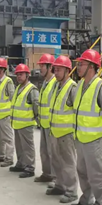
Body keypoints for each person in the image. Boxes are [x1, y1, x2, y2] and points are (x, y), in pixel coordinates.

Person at [71, 49, 102, 205]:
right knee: (82, 171)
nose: (78, 67)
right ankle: (86, 200)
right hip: (81, 136)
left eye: (81, 64)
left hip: (94, 138)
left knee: (96, 173)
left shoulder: (100, 87)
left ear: (91, 67)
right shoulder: (80, 85)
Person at [47, 55, 79, 203]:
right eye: (55, 69)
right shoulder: (56, 86)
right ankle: (60, 185)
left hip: (67, 133)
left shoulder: (72, 88)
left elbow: (77, 111)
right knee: (56, 161)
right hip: (55, 131)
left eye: (59, 70)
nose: (56, 72)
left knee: (68, 163)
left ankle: (71, 191)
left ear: (67, 71)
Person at [9, 64, 40, 178]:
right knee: (19, 146)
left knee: (27, 147)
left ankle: (30, 167)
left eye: (21, 74)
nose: (19, 76)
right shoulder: (18, 88)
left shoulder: (32, 89)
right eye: (17, 74)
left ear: (27, 75)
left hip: (26, 124)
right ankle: (21, 164)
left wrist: (37, 119)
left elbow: (36, 106)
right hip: (17, 124)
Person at [35, 54, 57, 184]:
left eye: (43, 65)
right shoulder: (45, 83)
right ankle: (47, 173)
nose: (40, 68)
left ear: (50, 67)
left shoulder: (54, 83)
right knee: (44, 151)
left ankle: (55, 177)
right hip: (43, 124)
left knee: (53, 152)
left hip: (51, 125)